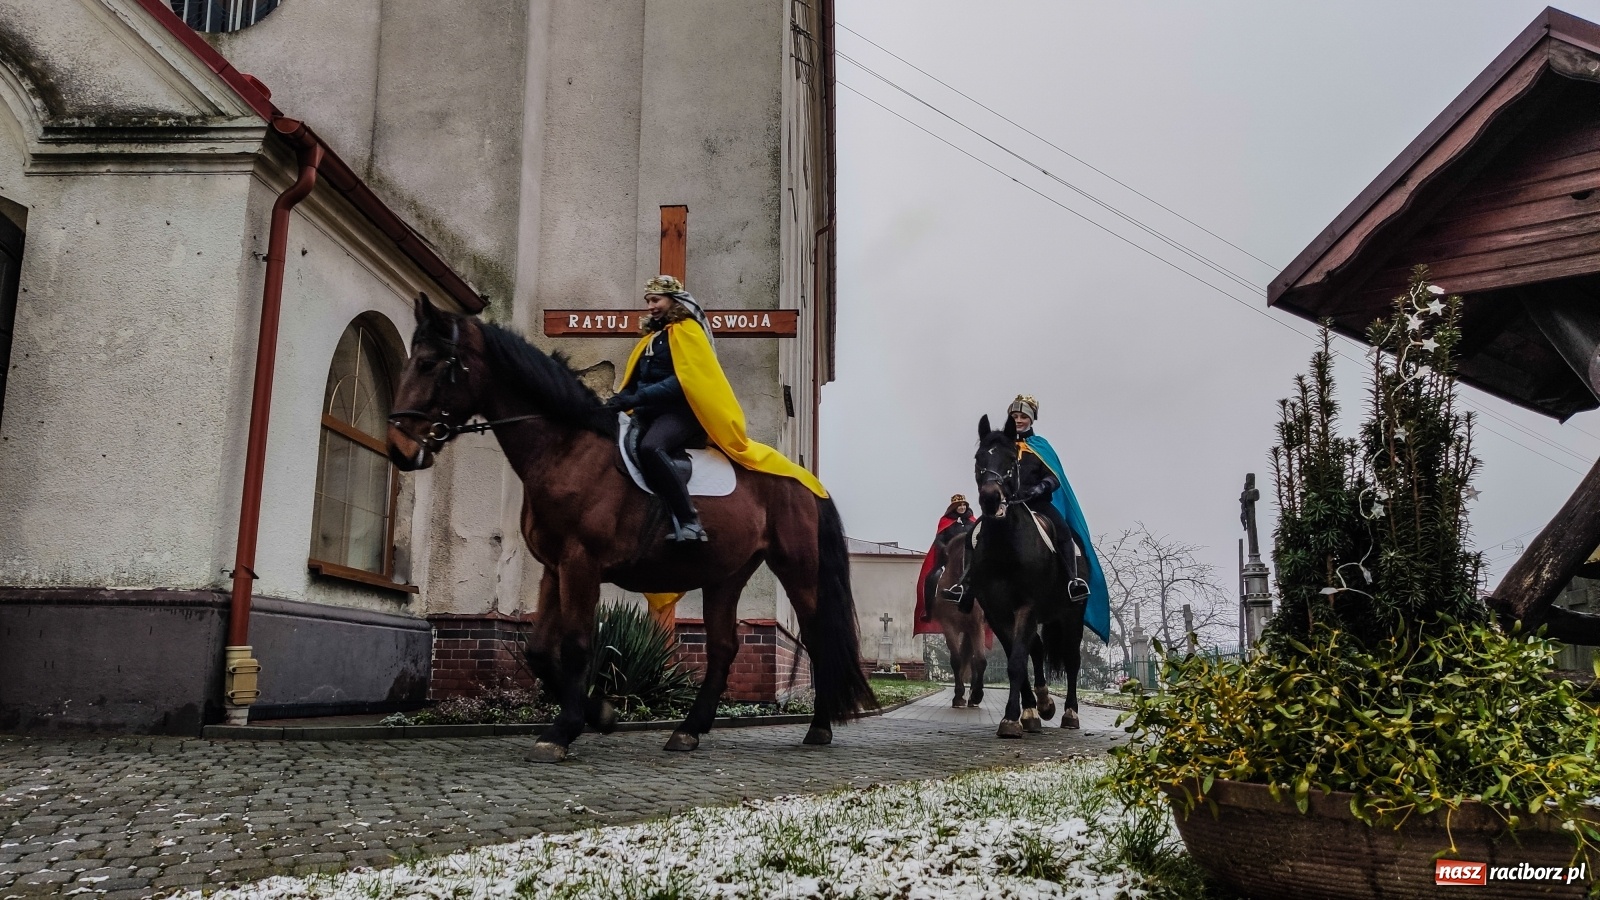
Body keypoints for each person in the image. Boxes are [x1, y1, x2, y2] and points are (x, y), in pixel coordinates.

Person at [607, 275, 828, 543]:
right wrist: (620, 399)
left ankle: (689, 520)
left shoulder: (688, 331)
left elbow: (684, 381)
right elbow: (637, 379)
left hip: (683, 414)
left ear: (673, 300)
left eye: (656, 300)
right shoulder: (652, 339)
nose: (651, 306)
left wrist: (636, 398)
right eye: (648, 301)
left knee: (651, 448)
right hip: (648, 412)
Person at [918, 494, 976, 622]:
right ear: (953, 507)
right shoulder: (945, 521)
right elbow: (938, 540)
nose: (961, 507)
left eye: (963, 505)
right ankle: (929, 611)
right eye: (959, 505)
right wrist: (945, 549)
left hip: (970, 559)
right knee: (931, 577)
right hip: (950, 559)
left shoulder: (973, 522)